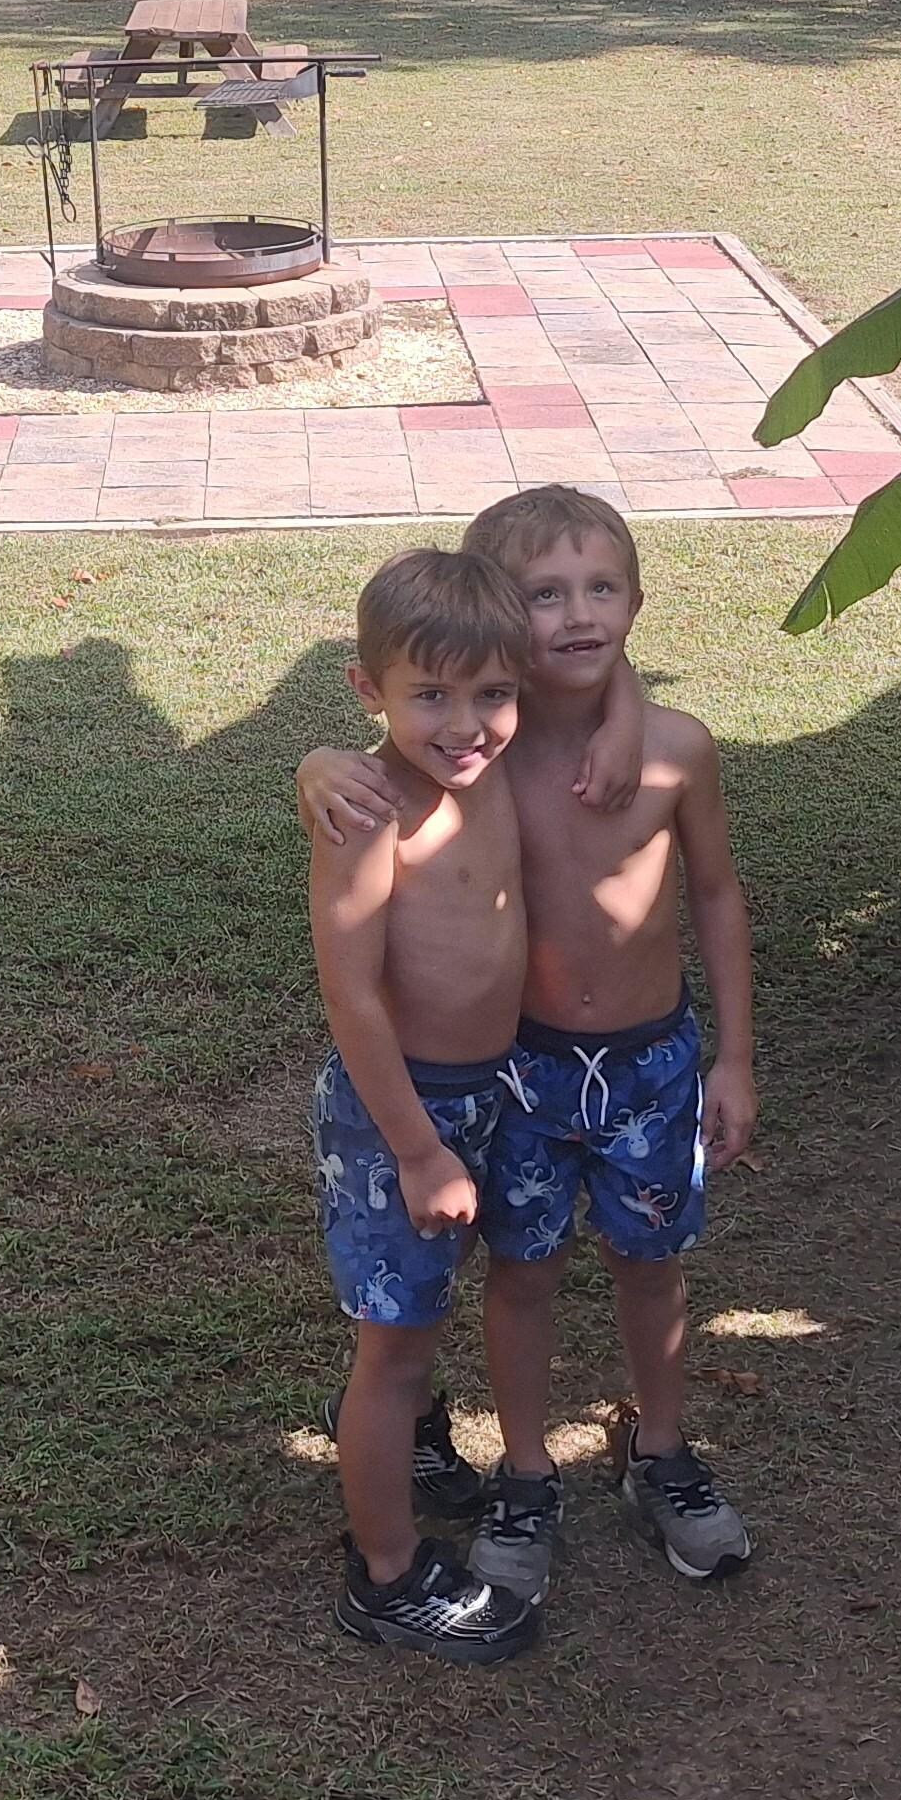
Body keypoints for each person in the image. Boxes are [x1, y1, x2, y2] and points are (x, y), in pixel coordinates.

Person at [299, 486, 760, 1602]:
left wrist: (737, 1057)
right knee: (523, 1271)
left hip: (654, 1066)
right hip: (524, 1072)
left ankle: (661, 1452)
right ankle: (524, 1473)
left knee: (653, 1264)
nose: (579, 614)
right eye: (546, 595)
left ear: (636, 602)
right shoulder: (479, 754)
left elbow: (716, 892)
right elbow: (397, 734)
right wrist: (313, 761)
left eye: (603, 589)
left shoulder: (668, 750)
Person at [306, 547, 543, 1663]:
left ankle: (411, 1440)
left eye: (492, 692)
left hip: (492, 1090)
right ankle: (387, 1576)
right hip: (396, 1110)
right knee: (393, 1346)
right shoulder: (367, 809)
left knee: (423, 1312)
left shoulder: (496, 772)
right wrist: (415, 1149)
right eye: (430, 696)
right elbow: (351, 995)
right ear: (370, 689)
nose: (466, 724)